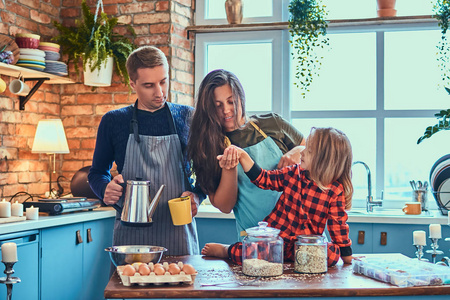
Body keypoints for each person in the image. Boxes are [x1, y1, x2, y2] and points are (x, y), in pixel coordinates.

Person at [88, 45, 204, 255]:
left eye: (163, 81)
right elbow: (97, 173)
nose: (159, 92)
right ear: (133, 84)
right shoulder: (114, 121)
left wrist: (197, 196)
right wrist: (105, 189)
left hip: (179, 233)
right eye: (149, 85)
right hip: (131, 236)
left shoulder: (188, 117)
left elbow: (207, 172)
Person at [202, 127, 353, 266]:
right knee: (250, 252)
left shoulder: (335, 191)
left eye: (309, 150)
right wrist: (242, 155)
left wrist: (347, 257)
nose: (301, 152)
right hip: (276, 241)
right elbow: (263, 178)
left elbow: (338, 227)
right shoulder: (293, 173)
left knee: (332, 255)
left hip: (303, 248)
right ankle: (225, 250)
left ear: (324, 160)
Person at [187, 69, 305, 241]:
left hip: (301, 232)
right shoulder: (207, 147)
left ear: (240, 98)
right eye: (217, 105)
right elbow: (225, 206)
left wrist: (297, 151)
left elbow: (314, 151)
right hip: (256, 241)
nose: (226, 110)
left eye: (231, 102)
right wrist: (230, 168)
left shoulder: (272, 123)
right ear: (208, 109)